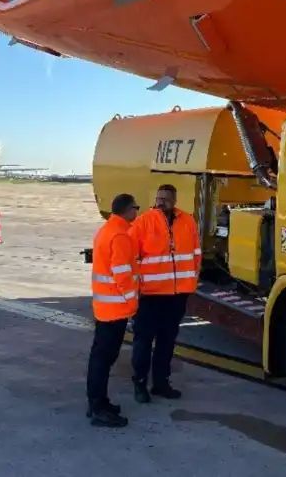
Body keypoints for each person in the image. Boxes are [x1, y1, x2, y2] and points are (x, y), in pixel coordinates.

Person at [129, 183, 201, 403]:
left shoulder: (188, 221)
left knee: (167, 342)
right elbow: (131, 257)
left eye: (166, 199)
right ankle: (140, 384)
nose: (161, 202)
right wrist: (136, 289)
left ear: (174, 201)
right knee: (143, 342)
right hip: (149, 295)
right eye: (159, 198)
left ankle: (161, 383)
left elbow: (196, 253)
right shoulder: (143, 221)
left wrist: (191, 282)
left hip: (177, 295)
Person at [86, 193, 140, 427]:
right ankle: (98, 408)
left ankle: (98, 403)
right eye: (136, 207)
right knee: (103, 360)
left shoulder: (107, 230)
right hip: (114, 309)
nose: (137, 212)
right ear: (128, 210)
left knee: (101, 358)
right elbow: (122, 274)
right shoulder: (120, 236)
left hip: (104, 308)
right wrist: (132, 303)